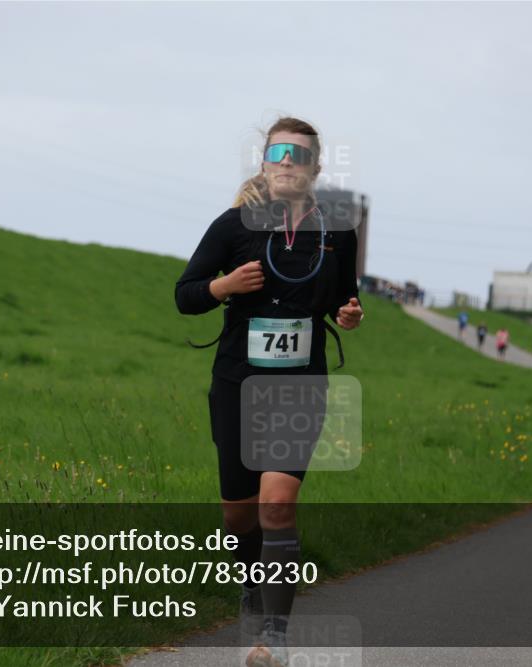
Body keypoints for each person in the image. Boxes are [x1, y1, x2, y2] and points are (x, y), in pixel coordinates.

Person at [175, 117, 362, 666]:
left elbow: (342, 299)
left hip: (301, 384)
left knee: (276, 504)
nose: (288, 161)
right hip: (237, 382)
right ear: (264, 162)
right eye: (279, 152)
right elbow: (186, 296)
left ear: (315, 168)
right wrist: (224, 286)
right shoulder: (232, 227)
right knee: (239, 516)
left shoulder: (338, 233)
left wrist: (348, 314)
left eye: (299, 155)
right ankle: (251, 588)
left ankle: (273, 635)